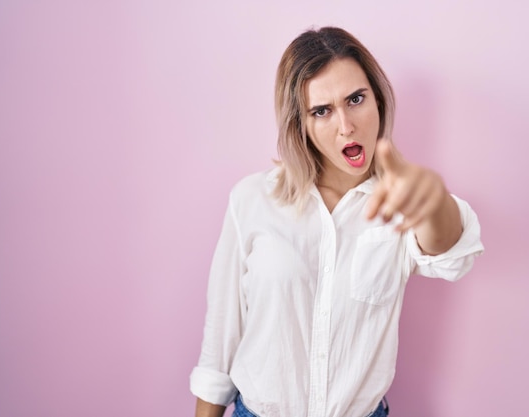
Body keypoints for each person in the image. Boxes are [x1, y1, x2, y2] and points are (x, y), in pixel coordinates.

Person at [190, 26, 484, 417]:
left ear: (378, 101)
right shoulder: (252, 199)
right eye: (322, 111)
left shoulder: (402, 199)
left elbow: (451, 256)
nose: (346, 125)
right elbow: (220, 342)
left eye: (356, 99)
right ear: (302, 124)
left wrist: (433, 203)